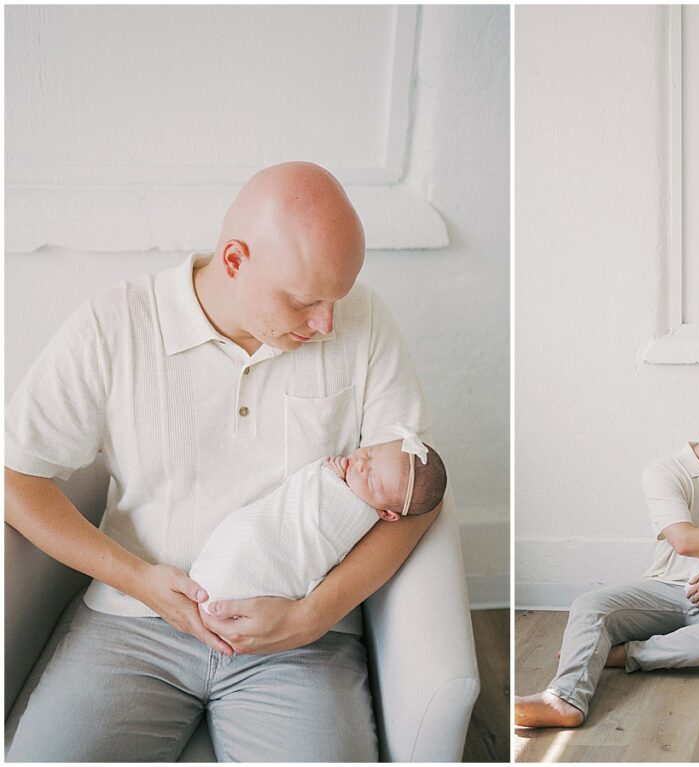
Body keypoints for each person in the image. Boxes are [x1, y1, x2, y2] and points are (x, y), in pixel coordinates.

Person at [5, 162, 439, 761]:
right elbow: (15, 474)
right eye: (305, 302)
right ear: (235, 259)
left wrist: (313, 615)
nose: (327, 323)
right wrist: (139, 582)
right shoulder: (116, 326)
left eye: (336, 299)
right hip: (135, 624)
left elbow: (417, 500)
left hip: (300, 642)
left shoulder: (364, 324)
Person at [515, 399, 699, 729]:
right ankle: (564, 699)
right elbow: (685, 541)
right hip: (664, 588)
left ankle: (622, 655)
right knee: (589, 606)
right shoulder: (664, 472)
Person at [190, 431, 447, 609]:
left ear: (387, 514)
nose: (359, 465)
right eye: (369, 454)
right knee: (245, 535)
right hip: (254, 532)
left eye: (371, 480)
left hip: (269, 565)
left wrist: (326, 477)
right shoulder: (360, 477)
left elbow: (314, 531)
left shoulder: (357, 514)